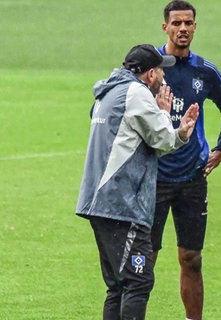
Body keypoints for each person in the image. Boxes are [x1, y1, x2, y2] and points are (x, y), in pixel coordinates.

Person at [76, 43, 199, 320]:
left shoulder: (106, 93)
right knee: (138, 281)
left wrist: (166, 123)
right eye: (160, 71)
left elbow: (129, 138)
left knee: (118, 285)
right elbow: (163, 139)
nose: (164, 78)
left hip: (98, 202)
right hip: (122, 203)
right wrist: (172, 122)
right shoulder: (137, 93)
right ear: (149, 74)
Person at [150, 1, 221, 319]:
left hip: (192, 178)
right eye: (176, 23)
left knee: (191, 258)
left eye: (188, 23)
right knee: (146, 255)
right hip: (155, 178)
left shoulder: (205, 71)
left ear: (195, 26)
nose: (183, 29)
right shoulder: (150, 69)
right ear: (166, 28)